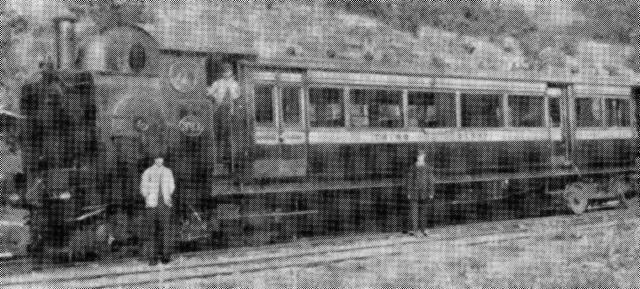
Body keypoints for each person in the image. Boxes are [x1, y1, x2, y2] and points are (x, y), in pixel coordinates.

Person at [140, 154, 176, 265]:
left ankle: (166, 257)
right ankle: (153, 259)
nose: (159, 160)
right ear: (154, 160)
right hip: (152, 205)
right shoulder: (148, 172)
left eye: (161, 159)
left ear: (163, 159)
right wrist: (147, 196)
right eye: (157, 159)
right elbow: (143, 187)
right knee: (152, 232)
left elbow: (172, 185)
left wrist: (168, 195)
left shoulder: (168, 172)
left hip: (164, 204)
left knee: (165, 231)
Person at [206, 62, 241, 168]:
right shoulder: (217, 83)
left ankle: (229, 159)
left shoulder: (235, 84)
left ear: (231, 72)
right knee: (218, 135)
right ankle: (218, 159)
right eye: (225, 72)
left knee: (230, 136)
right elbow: (209, 93)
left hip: (231, 112)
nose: (227, 73)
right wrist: (214, 97)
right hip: (219, 111)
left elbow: (238, 96)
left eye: (228, 71)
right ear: (222, 73)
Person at [404, 150, 435, 236]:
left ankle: (423, 230)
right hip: (414, 193)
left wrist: (431, 192)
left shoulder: (428, 168)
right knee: (414, 212)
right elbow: (409, 181)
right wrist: (409, 192)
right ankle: (414, 230)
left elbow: (431, 181)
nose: (420, 157)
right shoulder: (412, 168)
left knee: (423, 212)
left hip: (424, 193)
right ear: (417, 157)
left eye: (422, 156)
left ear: (424, 156)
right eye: (418, 156)